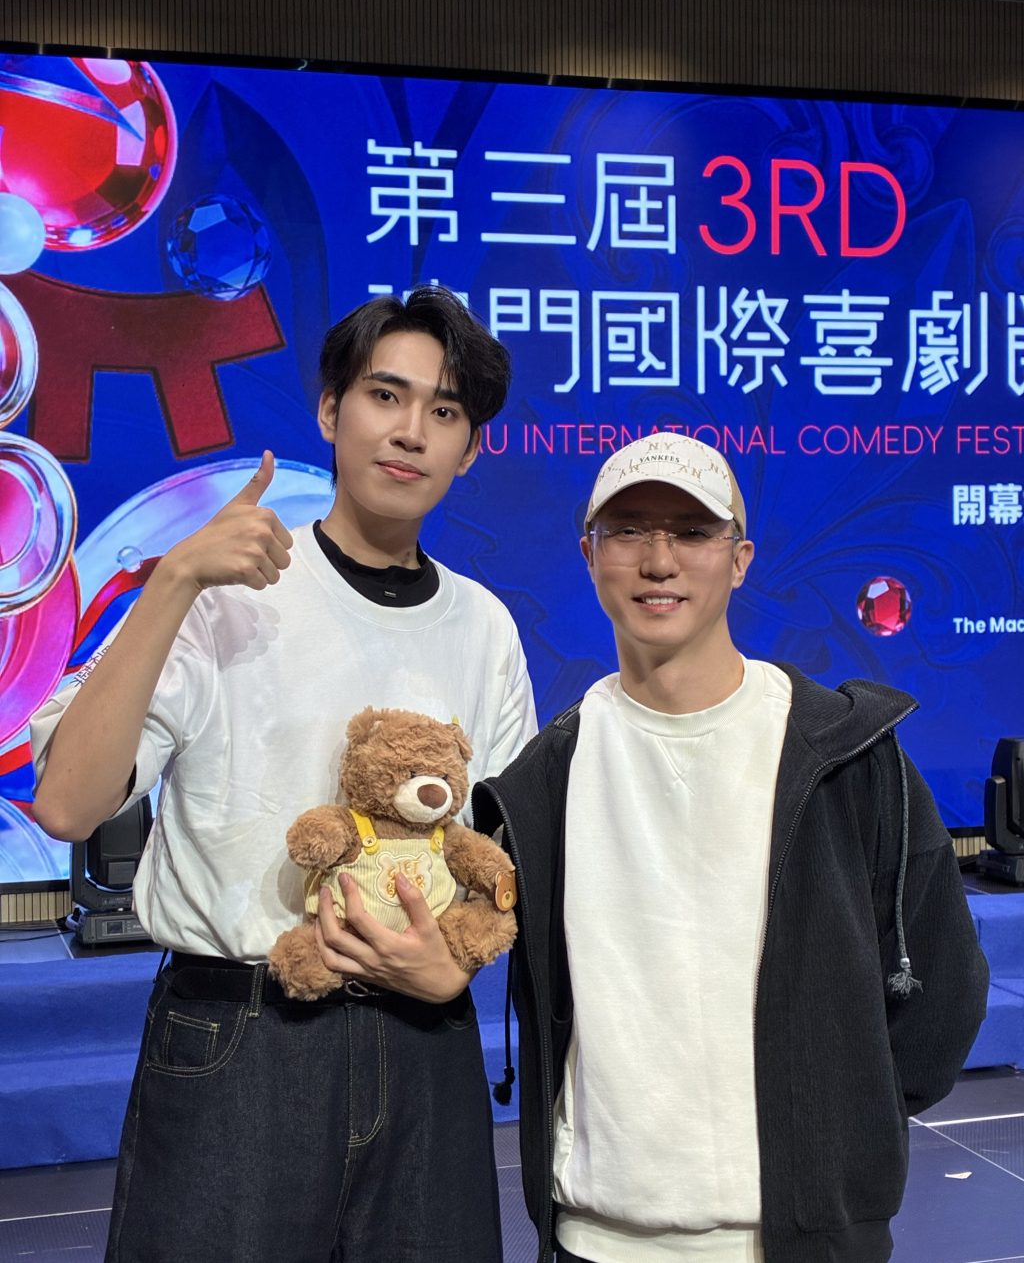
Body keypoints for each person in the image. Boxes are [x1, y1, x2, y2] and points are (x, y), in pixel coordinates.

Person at [31, 286, 536, 1263]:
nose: (411, 431)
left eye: (444, 411)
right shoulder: (224, 592)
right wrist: (174, 582)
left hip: (426, 1049)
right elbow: (65, 802)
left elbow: (495, 859)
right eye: (385, 395)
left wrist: (459, 966)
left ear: (471, 450)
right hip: (244, 1042)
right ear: (330, 411)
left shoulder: (484, 627)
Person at [474, 431, 988, 1263]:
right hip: (597, 1239)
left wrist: (836, 1137)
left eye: (692, 531)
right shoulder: (544, 778)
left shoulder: (848, 753)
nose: (659, 560)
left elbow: (945, 994)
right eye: (629, 530)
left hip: (799, 1240)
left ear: (740, 559)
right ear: (591, 554)